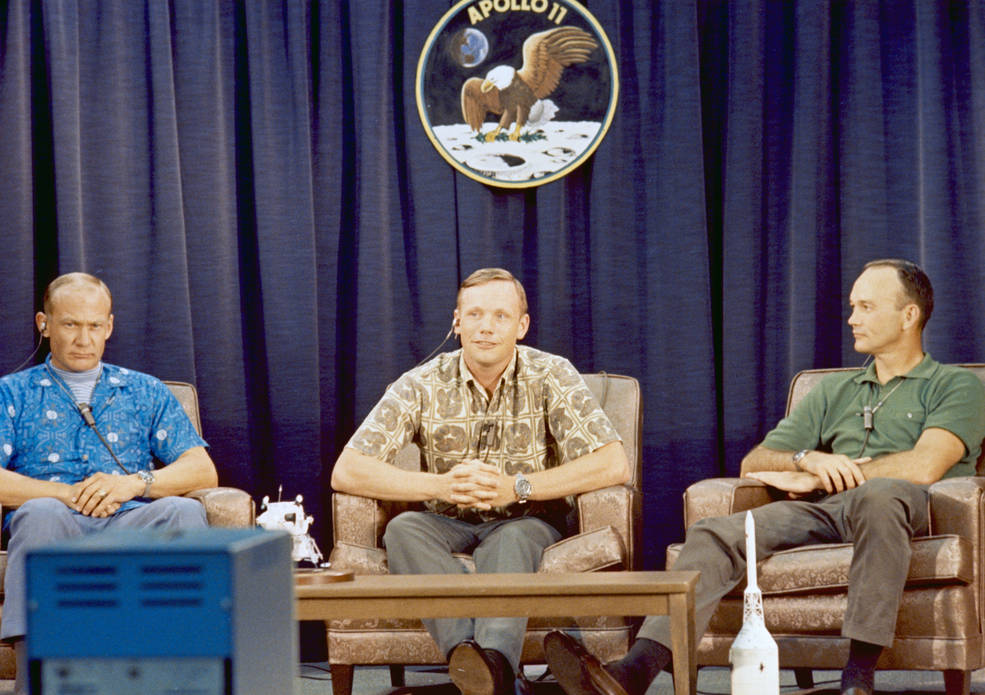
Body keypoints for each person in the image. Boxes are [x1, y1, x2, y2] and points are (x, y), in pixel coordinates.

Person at [545, 259, 985, 695]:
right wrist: (808, 460)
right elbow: (755, 462)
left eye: (866, 307)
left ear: (909, 315)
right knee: (715, 532)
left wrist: (840, 474)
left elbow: (927, 464)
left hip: (906, 509)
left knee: (882, 495)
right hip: (828, 512)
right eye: (853, 307)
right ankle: (636, 671)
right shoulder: (836, 390)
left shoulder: (954, 385)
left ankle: (859, 674)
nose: (852, 318)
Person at [331, 268, 631, 695]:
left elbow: (614, 464)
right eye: (473, 315)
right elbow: (347, 469)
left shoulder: (552, 374)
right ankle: (480, 670)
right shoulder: (419, 383)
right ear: (457, 322)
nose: (485, 328)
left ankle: (485, 668)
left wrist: (518, 487)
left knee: (511, 540)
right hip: (445, 518)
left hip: (526, 518)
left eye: (500, 316)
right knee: (402, 529)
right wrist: (439, 486)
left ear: (521, 326)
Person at [0, 272, 219, 693]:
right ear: (44, 324)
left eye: (94, 325)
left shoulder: (145, 390)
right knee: (40, 512)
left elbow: (201, 469)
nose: (84, 338)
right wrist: (64, 494)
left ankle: (189, 676)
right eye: (70, 324)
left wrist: (134, 484)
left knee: (185, 510)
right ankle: (36, 680)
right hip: (55, 523)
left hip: (130, 520)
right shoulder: (12, 394)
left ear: (109, 327)